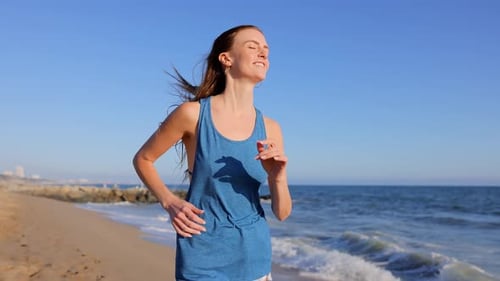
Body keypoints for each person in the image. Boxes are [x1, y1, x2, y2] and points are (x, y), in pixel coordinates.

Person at [133, 24, 292, 281]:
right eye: (253, 47)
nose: (263, 54)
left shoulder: (271, 128)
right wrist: (169, 201)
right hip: (202, 257)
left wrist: (277, 177)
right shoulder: (192, 115)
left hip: (255, 258)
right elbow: (143, 159)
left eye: (266, 50)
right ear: (226, 58)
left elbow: (282, 213)